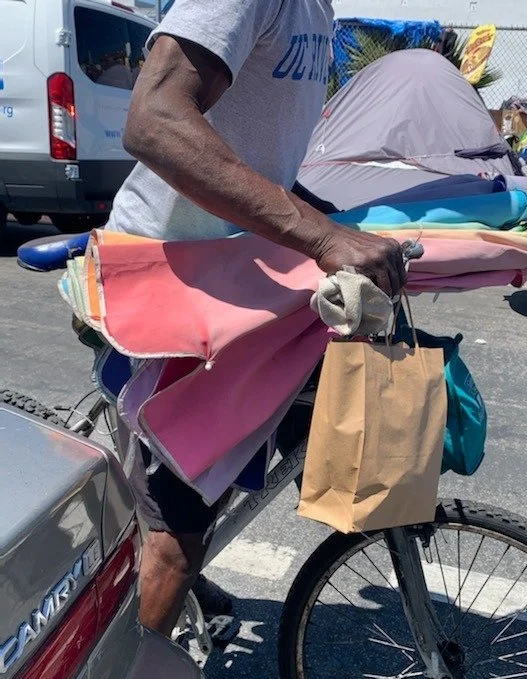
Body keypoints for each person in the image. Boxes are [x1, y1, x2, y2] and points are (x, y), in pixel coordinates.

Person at [107, 0, 408, 637]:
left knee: (229, 461)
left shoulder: (317, 9)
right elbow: (154, 119)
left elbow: (261, 160)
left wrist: (344, 227)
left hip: (234, 269)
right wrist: (325, 241)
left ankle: (179, 553)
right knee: (177, 534)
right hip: (175, 283)